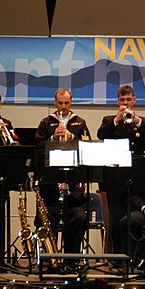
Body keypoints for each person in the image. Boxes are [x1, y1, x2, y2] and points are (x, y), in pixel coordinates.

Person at [33, 88, 89, 262]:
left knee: (79, 216)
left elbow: (88, 147)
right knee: (45, 216)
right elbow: (37, 149)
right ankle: (50, 260)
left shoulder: (80, 122)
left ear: (71, 102)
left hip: (72, 191)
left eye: (66, 103)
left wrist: (72, 137)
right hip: (51, 191)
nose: (63, 106)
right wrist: (51, 138)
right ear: (55, 102)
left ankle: (72, 260)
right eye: (60, 103)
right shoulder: (46, 122)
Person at [96, 85, 145, 253]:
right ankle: (117, 256)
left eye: (129, 100)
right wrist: (117, 119)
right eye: (122, 100)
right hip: (115, 177)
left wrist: (137, 121)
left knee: (133, 217)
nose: (126, 103)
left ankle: (134, 254)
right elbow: (101, 134)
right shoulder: (109, 120)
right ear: (117, 101)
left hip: (137, 177)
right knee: (115, 217)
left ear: (134, 100)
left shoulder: (144, 122)